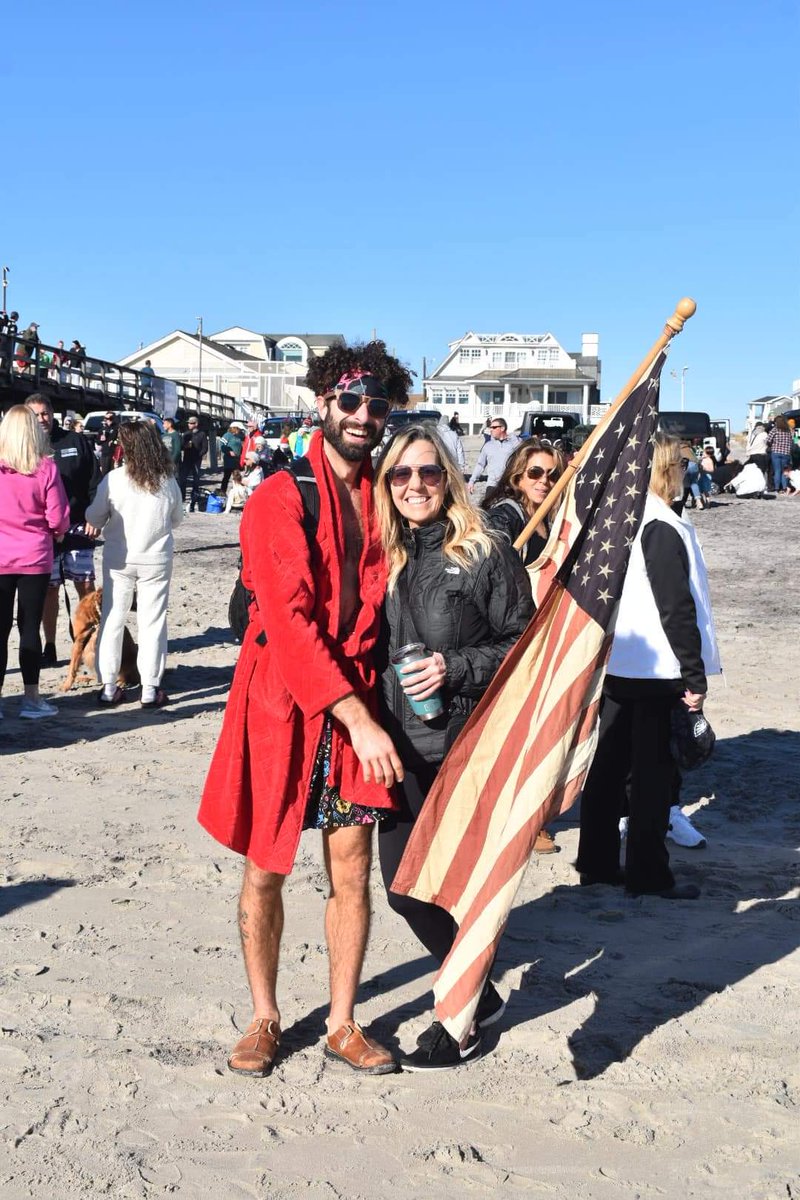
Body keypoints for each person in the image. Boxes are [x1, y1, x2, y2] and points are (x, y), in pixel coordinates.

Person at [198, 340, 413, 1080]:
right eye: (350, 400)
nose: (363, 414)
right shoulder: (279, 496)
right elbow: (287, 622)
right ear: (324, 402)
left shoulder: (387, 492)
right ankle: (264, 1015)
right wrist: (357, 716)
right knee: (266, 866)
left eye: (377, 402)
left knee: (350, 871)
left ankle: (344, 1022)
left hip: (356, 698)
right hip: (285, 703)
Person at [373, 425, 534, 1069]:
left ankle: (461, 1017)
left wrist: (453, 667)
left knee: (453, 890)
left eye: (428, 472)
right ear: (387, 485)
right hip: (391, 747)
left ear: (449, 478)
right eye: (401, 475)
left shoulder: (486, 551)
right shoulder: (381, 555)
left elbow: (524, 648)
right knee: (403, 888)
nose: (415, 485)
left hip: (461, 745)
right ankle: (484, 994)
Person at [575, 433, 721, 901]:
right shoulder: (659, 524)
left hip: (622, 663)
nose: (686, 471)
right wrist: (694, 676)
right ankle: (648, 874)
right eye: (680, 464)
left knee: (612, 767)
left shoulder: (626, 520)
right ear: (666, 469)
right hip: (655, 668)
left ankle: (596, 863)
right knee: (652, 777)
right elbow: (675, 607)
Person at [483, 436, 564, 855]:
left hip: (541, 632)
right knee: (519, 733)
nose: (544, 480)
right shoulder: (506, 515)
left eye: (552, 474)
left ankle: (529, 816)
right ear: (517, 476)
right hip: (510, 637)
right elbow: (491, 568)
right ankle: (522, 823)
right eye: (535, 473)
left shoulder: (551, 516)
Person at [85, 421, 183, 709]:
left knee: (112, 619)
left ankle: (107, 686)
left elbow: (94, 514)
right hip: (156, 558)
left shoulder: (115, 479)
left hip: (120, 557)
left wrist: (98, 523)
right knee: (152, 622)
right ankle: (151, 687)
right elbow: (176, 518)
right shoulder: (167, 480)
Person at [0, 406, 70, 719]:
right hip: (34, 556)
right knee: (29, 627)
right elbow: (58, 517)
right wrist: (56, 533)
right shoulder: (45, 468)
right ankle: (30, 698)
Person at [25, 394, 102, 667]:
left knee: (86, 587)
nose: (41, 419)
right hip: (42, 531)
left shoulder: (75, 441)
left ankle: (89, 641)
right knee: (49, 590)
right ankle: (50, 645)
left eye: (44, 413)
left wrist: (95, 516)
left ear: (52, 413)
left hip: (79, 525)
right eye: (34, 415)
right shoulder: (25, 447)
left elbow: (96, 482)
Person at [468, 417, 521, 494]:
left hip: (510, 486)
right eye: (490, 427)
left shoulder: (515, 444)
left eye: (494, 427)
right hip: (492, 485)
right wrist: (472, 481)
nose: (491, 430)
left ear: (502, 428)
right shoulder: (488, 446)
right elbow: (480, 465)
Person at [179, 417, 208, 512]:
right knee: (182, 478)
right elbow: (181, 446)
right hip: (187, 459)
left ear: (196, 424)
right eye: (189, 423)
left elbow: (205, 448)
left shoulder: (202, 434)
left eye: (191, 423)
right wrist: (184, 446)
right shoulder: (186, 434)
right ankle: (182, 497)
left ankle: (194, 498)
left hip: (196, 460)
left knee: (196, 480)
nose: (189, 425)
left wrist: (199, 455)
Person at [767, 416, 793, 493]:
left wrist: (772, 444)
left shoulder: (775, 430)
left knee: (777, 471)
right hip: (786, 453)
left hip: (776, 452)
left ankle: (777, 488)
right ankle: (784, 488)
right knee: (783, 471)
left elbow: (768, 440)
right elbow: (791, 441)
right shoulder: (788, 431)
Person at [219, 423, 244, 491]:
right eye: (239, 429)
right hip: (229, 460)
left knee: (237, 476)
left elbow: (240, 447)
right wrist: (228, 451)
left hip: (236, 460)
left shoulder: (238, 436)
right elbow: (221, 445)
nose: (240, 431)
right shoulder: (227, 435)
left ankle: (237, 491)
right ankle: (223, 491)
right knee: (226, 477)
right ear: (235, 428)